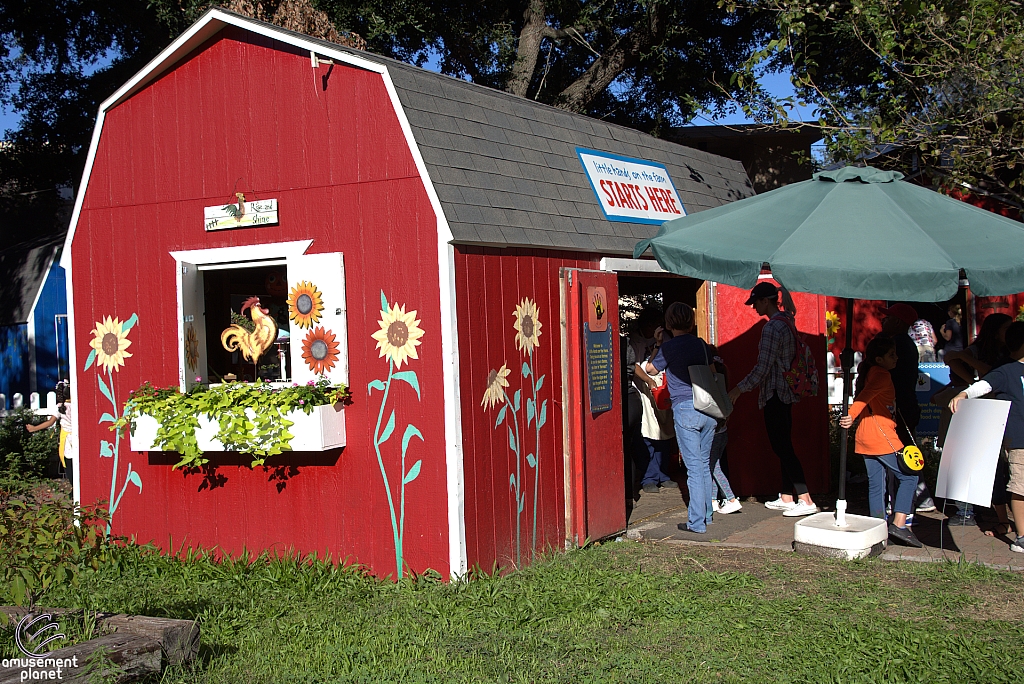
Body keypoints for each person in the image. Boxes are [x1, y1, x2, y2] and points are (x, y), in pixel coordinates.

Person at [727, 282, 818, 517]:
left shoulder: (771, 329)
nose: (753, 308)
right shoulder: (788, 320)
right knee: (783, 443)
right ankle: (787, 496)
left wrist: (738, 390)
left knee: (782, 446)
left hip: (774, 393)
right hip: (787, 391)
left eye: (755, 302)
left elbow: (762, 369)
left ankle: (806, 499)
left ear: (765, 301)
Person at [839, 336, 923, 547]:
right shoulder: (882, 375)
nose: (896, 358)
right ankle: (899, 524)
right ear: (879, 358)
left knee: (877, 485)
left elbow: (866, 395)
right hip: (881, 435)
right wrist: (851, 415)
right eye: (891, 355)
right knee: (910, 476)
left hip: (866, 437)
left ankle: (878, 530)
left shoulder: (871, 372)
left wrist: (852, 417)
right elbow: (865, 396)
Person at [950, 321, 1024, 552]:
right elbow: (984, 385)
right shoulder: (1006, 370)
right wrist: (964, 393)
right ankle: (1022, 536)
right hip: (1019, 440)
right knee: (1020, 487)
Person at [646, 302, 717, 533]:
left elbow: (650, 370)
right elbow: (713, 373)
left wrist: (658, 344)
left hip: (685, 409)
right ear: (692, 322)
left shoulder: (669, 348)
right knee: (704, 465)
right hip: (708, 407)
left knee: (694, 467)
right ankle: (706, 514)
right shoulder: (701, 345)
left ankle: (696, 523)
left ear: (668, 324)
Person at [942, 312, 1014, 526]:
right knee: (986, 460)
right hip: (983, 411)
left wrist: (968, 362)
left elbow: (992, 374)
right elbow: (950, 359)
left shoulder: (1009, 353)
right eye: (1005, 328)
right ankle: (979, 511)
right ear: (995, 331)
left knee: (1005, 461)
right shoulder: (979, 349)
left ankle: (1002, 509)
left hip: (1002, 409)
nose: (1009, 332)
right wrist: (971, 383)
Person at [880, 303, 935, 515]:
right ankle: (922, 497)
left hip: (899, 407)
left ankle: (906, 500)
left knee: (899, 453)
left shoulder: (899, 345)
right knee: (907, 451)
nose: (883, 321)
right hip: (906, 405)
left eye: (888, 318)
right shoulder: (904, 343)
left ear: (898, 322)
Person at [630, 307, 678, 494]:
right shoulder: (634, 341)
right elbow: (637, 366)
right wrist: (648, 380)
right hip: (642, 390)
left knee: (664, 431)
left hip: (663, 389)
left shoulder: (665, 339)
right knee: (647, 434)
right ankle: (649, 477)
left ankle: (663, 474)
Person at [707, 344, 742, 514]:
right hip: (723, 433)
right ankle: (714, 500)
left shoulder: (713, 393)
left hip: (715, 434)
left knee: (713, 468)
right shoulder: (725, 393)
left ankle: (731, 498)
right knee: (714, 465)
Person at [26, 381, 75, 481]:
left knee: (69, 463)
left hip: (67, 440)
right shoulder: (77, 405)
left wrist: (34, 428)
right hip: (78, 438)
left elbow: (50, 422)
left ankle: (73, 484)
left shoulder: (61, 407)